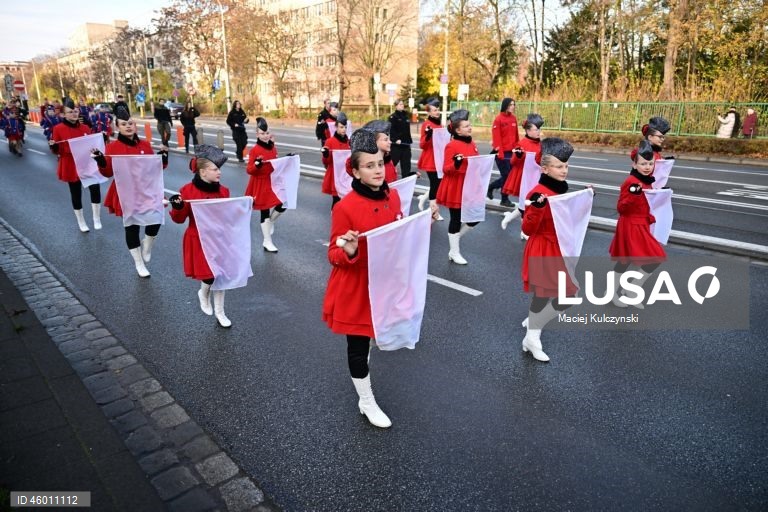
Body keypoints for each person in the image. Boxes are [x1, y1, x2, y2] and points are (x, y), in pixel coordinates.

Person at [322, 129, 403, 429]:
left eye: (379, 163)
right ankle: (366, 402)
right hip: (355, 286)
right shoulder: (345, 207)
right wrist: (349, 250)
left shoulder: (393, 197)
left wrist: (424, 225)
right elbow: (332, 253)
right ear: (354, 171)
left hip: (383, 285)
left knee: (371, 340)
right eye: (368, 166)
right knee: (358, 347)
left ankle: (364, 390)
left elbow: (399, 236)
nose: (377, 170)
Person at [520, 138, 579, 362]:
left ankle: (533, 326)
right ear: (545, 169)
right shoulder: (537, 193)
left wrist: (584, 197)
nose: (564, 170)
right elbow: (527, 228)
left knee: (568, 295)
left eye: (566, 166)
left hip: (559, 247)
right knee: (544, 294)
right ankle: (532, 338)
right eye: (558, 166)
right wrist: (536, 207)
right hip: (542, 247)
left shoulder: (561, 189)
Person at [94, 111, 169, 277]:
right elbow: (107, 173)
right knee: (132, 227)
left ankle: (148, 243)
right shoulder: (112, 147)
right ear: (117, 127)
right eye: (123, 124)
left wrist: (163, 157)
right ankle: (139, 263)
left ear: (135, 125)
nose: (128, 126)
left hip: (146, 189)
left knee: (156, 218)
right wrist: (100, 160)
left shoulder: (145, 145)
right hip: (125, 192)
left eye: (130, 123)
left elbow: (154, 169)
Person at [169, 145, 233, 328]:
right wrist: (178, 207)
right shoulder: (187, 191)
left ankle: (220, 312)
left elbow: (229, 217)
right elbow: (179, 220)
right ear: (203, 172)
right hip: (199, 239)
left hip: (220, 239)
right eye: (215, 169)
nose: (219, 172)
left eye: (219, 169)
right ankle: (203, 293)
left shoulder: (224, 191)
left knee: (221, 277)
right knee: (210, 276)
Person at [608, 139, 666, 308]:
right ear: (634, 165)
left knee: (628, 261)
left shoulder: (648, 180)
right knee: (652, 258)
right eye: (643, 163)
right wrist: (633, 195)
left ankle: (625, 291)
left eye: (650, 163)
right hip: (630, 225)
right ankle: (628, 290)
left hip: (641, 224)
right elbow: (621, 208)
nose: (647, 167)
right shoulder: (631, 181)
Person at [49, 98, 102, 233]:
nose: (73, 114)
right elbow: (57, 150)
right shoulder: (58, 129)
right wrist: (54, 146)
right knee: (76, 193)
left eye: (75, 111)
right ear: (63, 114)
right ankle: (81, 221)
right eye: (70, 112)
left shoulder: (85, 127)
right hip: (71, 164)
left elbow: (92, 145)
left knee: (95, 188)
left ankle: (96, 218)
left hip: (86, 164)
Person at [436, 109, 480, 265]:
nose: (470, 128)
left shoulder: (472, 143)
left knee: (476, 216)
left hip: (470, 185)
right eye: (466, 126)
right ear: (457, 130)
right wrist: (456, 163)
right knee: (456, 218)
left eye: (470, 125)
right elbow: (446, 169)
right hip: (456, 186)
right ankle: (454, 252)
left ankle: (454, 238)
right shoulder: (451, 145)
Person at [245, 117, 286, 253]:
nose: (265, 135)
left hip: (274, 181)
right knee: (265, 211)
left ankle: (271, 222)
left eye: (267, 133)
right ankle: (267, 241)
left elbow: (276, 163)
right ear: (257, 134)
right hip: (261, 183)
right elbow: (249, 170)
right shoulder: (255, 150)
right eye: (262, 134)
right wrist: (256, 165)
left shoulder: (273, 148)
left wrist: (287, 160)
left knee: (284, 202)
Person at [500, 113, 544, 236]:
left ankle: (510, 220)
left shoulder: (540, 143)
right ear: (528, 131)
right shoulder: (522, 143)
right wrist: (519, 155)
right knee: (527, 204)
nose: (538, 132)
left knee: (529, 204)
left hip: (536, 177)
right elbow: (513, 162)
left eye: (539, 129)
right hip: (523, 177)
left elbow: (540, 160)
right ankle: (525, 231)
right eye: (536, 129)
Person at [416, 97, 445, 221]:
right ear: (429, 112)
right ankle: (434, 212)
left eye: (437, 109)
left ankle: (424, 199)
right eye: (434, 110)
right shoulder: (427, 124)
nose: (437, 112)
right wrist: (428, 136)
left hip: (439, 160)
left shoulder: (440, 124)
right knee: (436, 185)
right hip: (430, 160)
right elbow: (422, 145)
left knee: (437, 185)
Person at [487, 97, 519, 206]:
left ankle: (491, 187)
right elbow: (497, 137)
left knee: (509, 176)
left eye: (514, 105)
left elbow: (516, 136)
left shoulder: (514, 118)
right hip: (501, 152)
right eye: (511, 105)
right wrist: (500, 152)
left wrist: (517, 149)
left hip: (512, 152)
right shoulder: (498, 119)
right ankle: (504, 199)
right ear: (505, 105)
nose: (513, 107)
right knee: (507, 176)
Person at [321, 111, 350, 208]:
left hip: (347, 176)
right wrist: (325, 155)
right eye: (341, 127)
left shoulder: (349, 142)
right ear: (336, 127)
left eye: (345, 127)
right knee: (337, 202)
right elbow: (326, 162)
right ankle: (335, 220)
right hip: (335, 176)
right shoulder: (330, 141)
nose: (344, 129)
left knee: (347, 201)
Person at [388, 99, 414, 178]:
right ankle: (388, 180)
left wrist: (409, 141)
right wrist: (395, 139)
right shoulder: (393, 117)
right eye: (400, 104)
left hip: (406, 145)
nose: (402, 105)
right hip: (397, 145)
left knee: (406, 167)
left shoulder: (406, 116)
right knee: (392, 164)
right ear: (396, 106)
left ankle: (405, 183)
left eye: (402, 104)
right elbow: (392, 130)